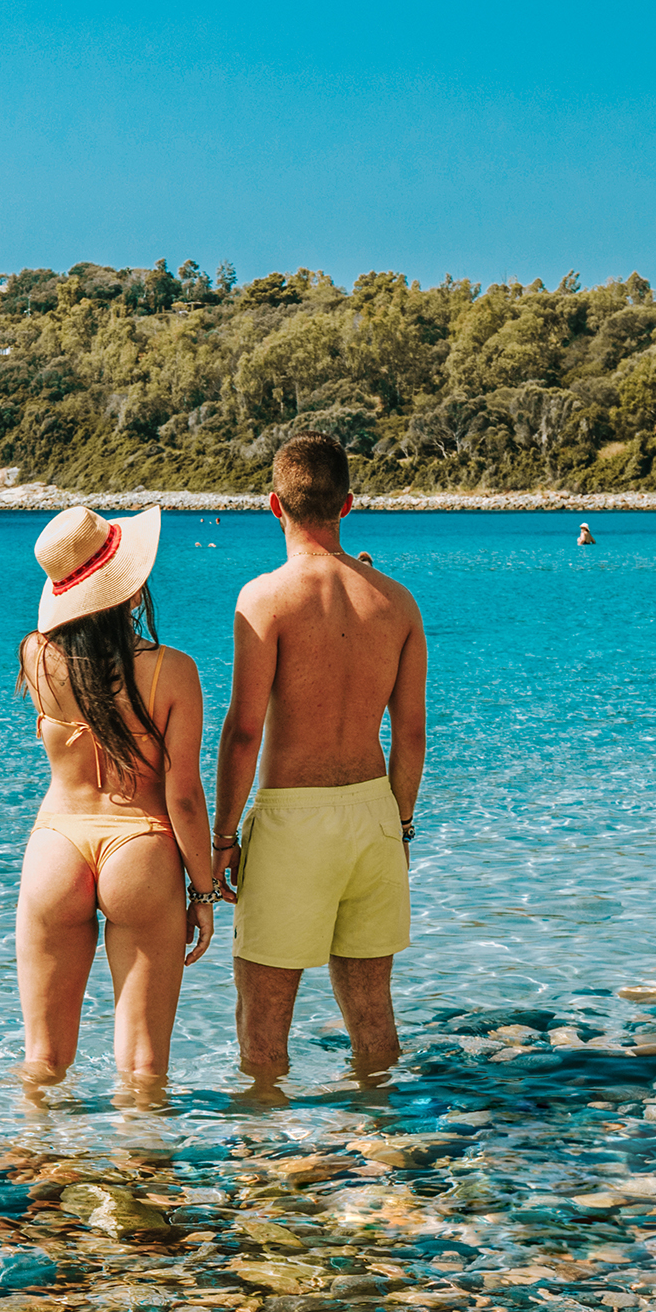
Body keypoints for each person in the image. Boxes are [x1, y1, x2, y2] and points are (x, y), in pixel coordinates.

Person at [212, 435, 426, 1085]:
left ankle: (266, 1148)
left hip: (292, 821)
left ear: (273, 505)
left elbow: (244, 732)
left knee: (263, 1037)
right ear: (347, 504)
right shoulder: (396, 602)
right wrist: (401, 827)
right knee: (373, 1020)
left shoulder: (265, 598)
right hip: (374, 815)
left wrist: (223, 838)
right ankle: (380, 1136)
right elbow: (412, 734)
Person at [13, 507, 219, 1087]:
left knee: (42, 1060)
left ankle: (32, 1144)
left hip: (56, 846)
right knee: (143, 1066)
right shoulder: (172, 671)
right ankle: (144, 1150)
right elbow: (184, 797)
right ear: (127, 585)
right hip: (141, 849)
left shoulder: (36, 655)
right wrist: (203, 892)